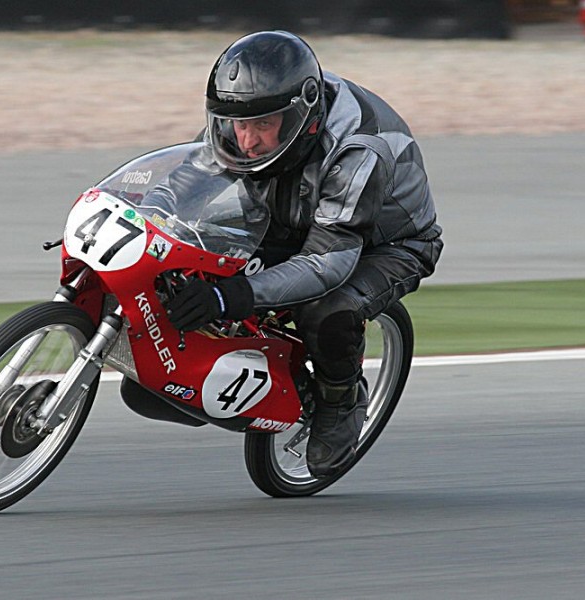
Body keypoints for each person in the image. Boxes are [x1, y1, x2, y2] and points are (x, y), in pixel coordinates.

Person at [164, 30, 443, 477]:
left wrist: (230, 296)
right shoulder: (249, 110)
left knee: (327, 308)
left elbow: (327, 261)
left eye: (262, 126)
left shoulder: (357, 150)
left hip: (386, 245)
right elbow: (186, 182)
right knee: (208, 251)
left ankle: (341, 400)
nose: (247, 140)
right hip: (299, 216)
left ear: (302, 117)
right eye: (239, 124)